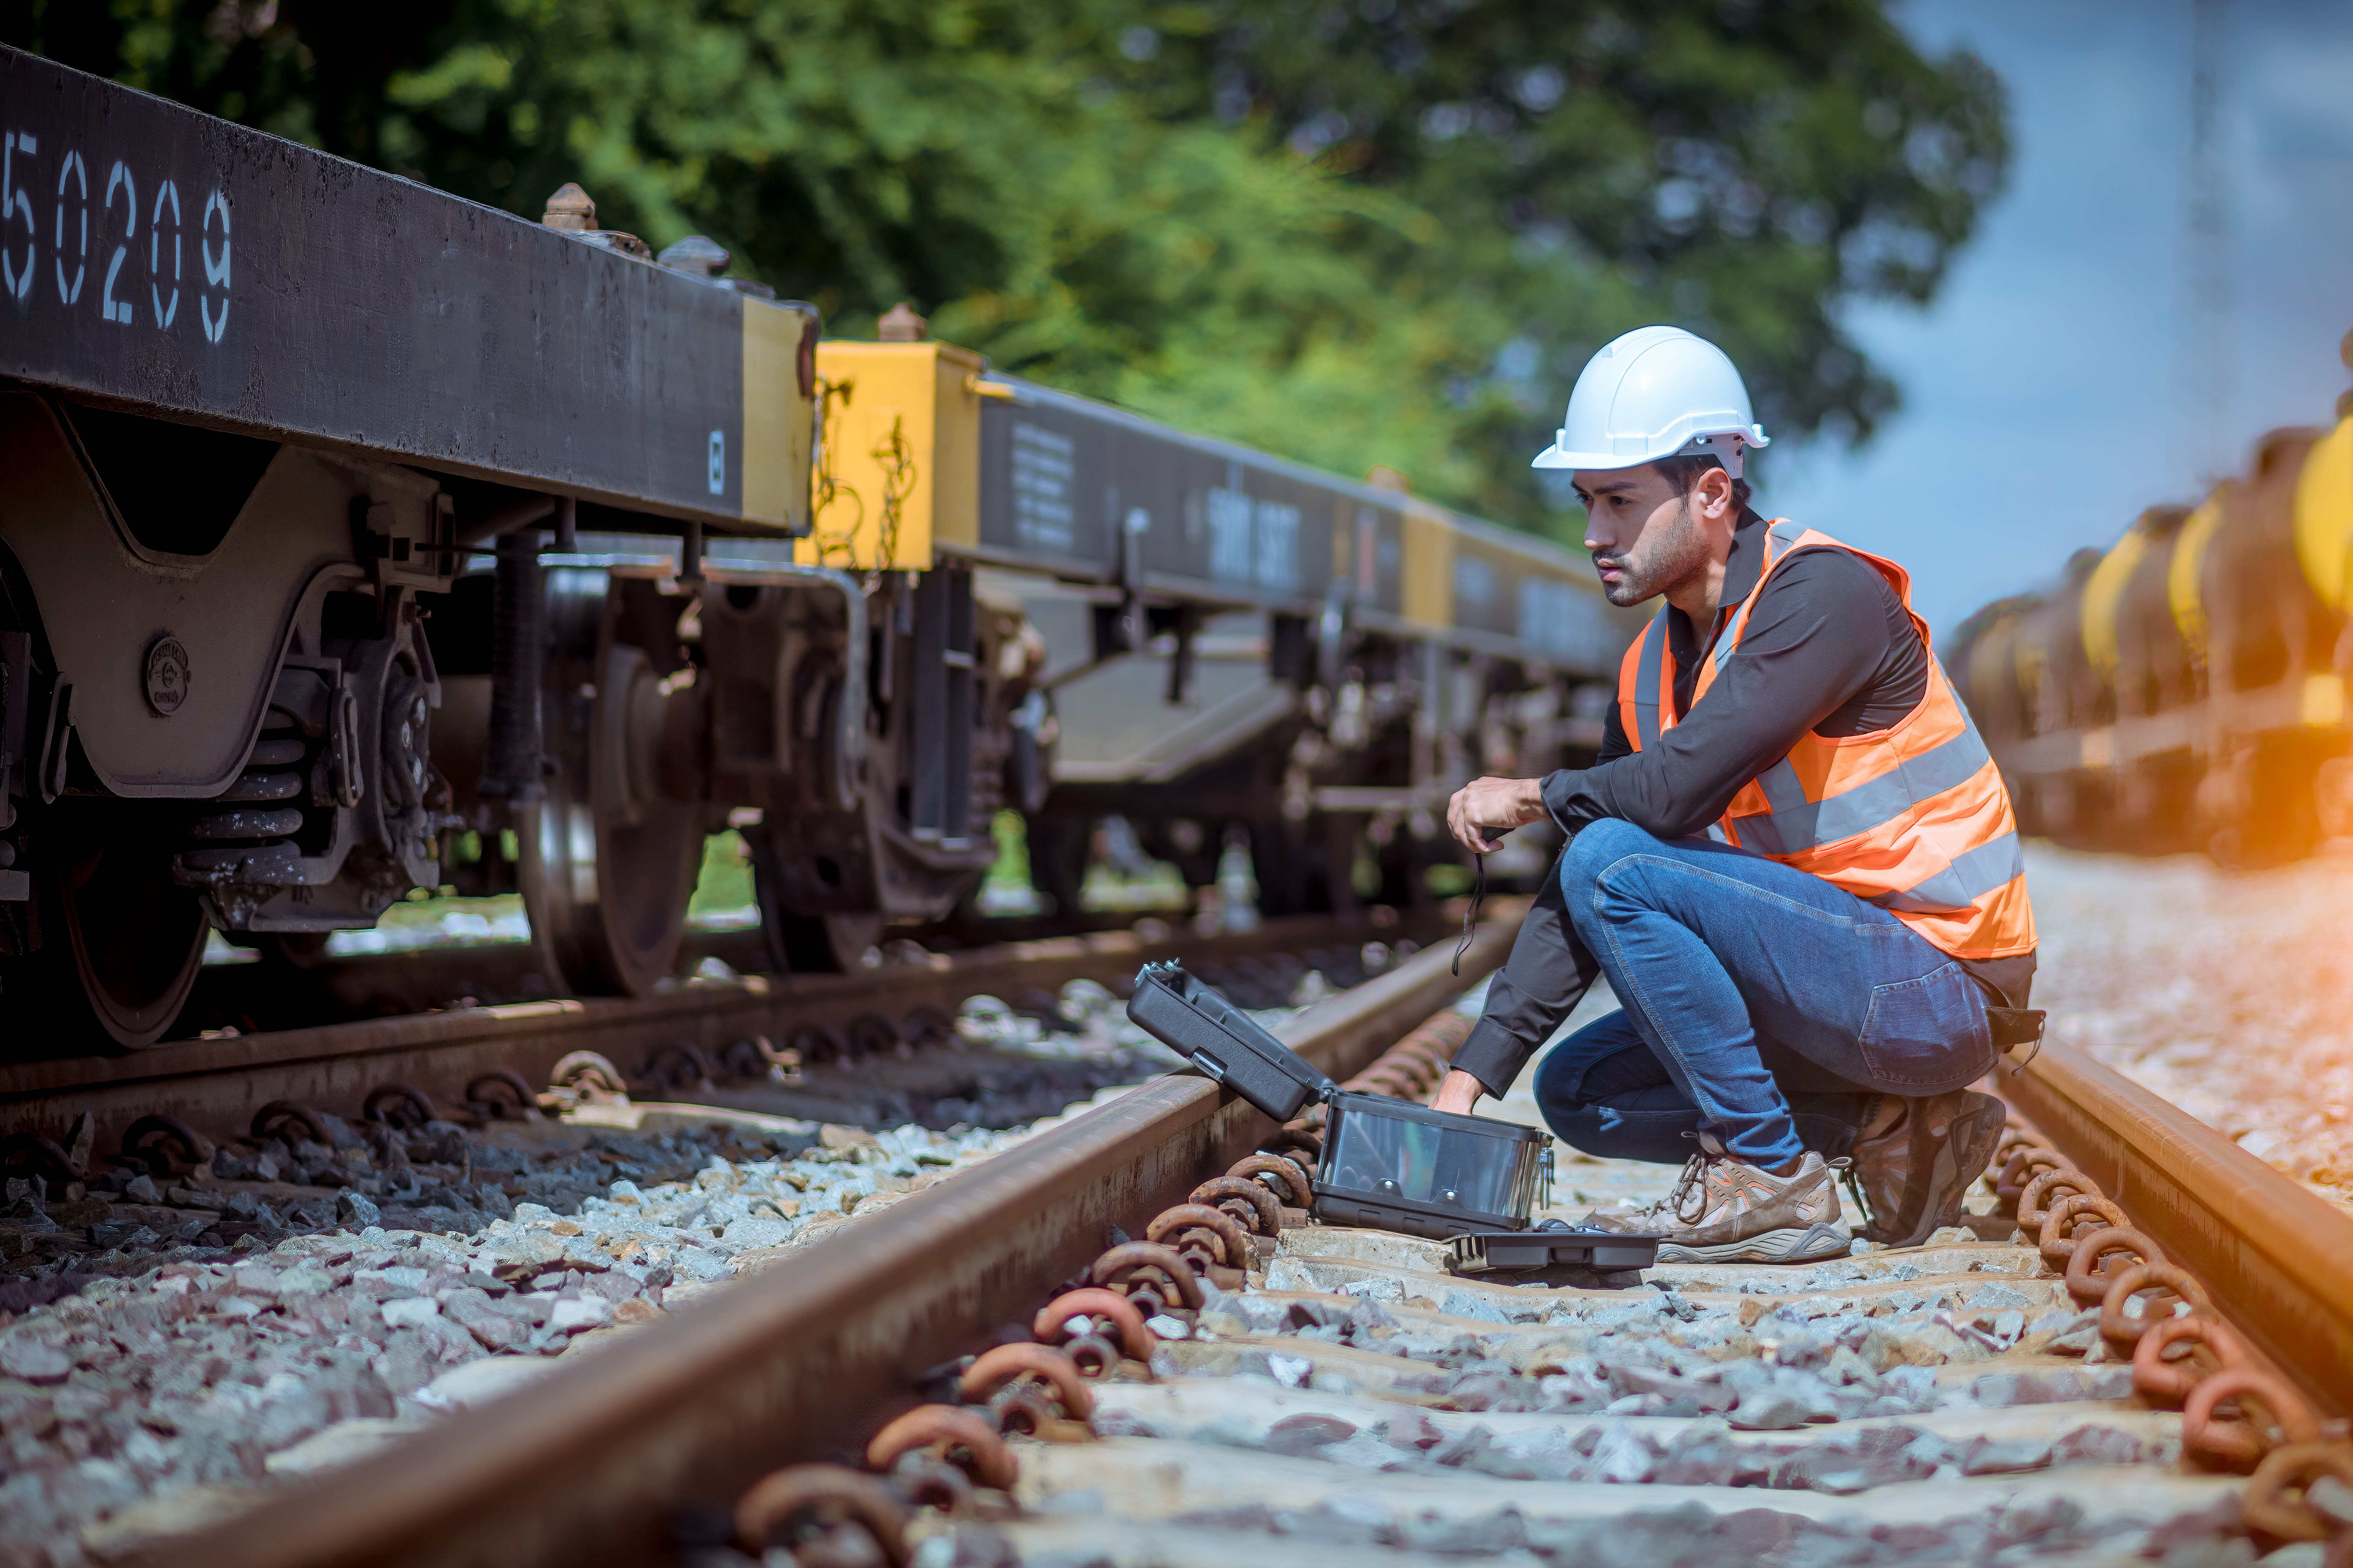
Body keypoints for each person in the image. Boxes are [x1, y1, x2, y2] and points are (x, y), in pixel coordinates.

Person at [1431, 325, 2038, 1265]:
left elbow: (1668, 798)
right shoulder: (1649, 667)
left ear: (1712, 491)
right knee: (1580, 1092)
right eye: (1587, 502)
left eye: (1621, 502)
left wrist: (1531, 793)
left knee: (1614, 858)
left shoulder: (1822, 597)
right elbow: (1573, 894)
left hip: (1934, 988)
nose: (1595, 533)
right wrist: (1467, 1083)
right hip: (1821, 984)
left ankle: (1770, 1180)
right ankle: (1889, 1131)